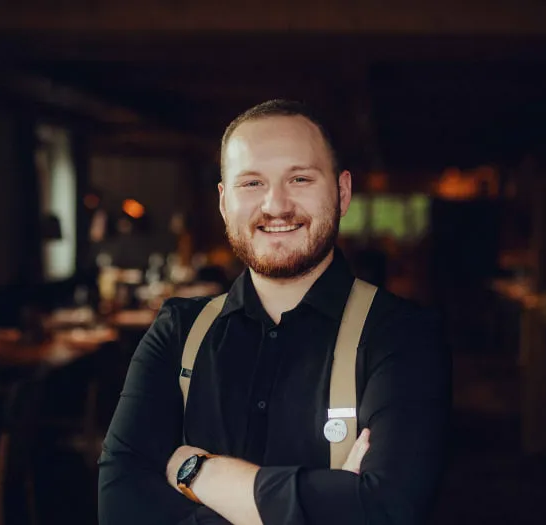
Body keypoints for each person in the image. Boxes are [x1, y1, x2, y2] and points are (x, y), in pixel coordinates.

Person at [98, 100, 451, 525]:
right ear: (225, 202)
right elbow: (120, 508)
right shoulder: (177, 330)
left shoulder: (403, 335)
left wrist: (198, 472)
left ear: (341, 193)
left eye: (300, 178)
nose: (276, 205)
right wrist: (329, 503)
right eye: (251, 184)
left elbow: (386, 512)